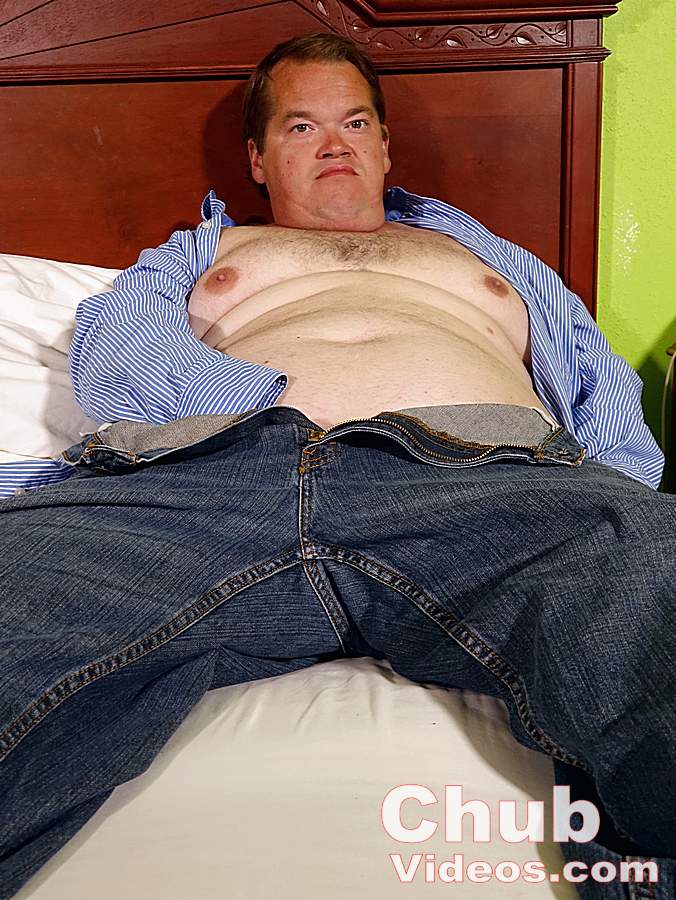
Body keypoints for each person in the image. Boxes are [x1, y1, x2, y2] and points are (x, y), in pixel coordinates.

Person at [0, 31, 674, 900]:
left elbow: (595, 381)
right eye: (300, 126)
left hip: (483, 476)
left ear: (385, 145)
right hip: (216, 474)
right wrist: (264, 405)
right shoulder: (203, 254)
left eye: (355, 123)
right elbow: (118, 352)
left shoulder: (485, 260)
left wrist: (616, 507)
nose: (334, 146)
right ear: (257, 157)